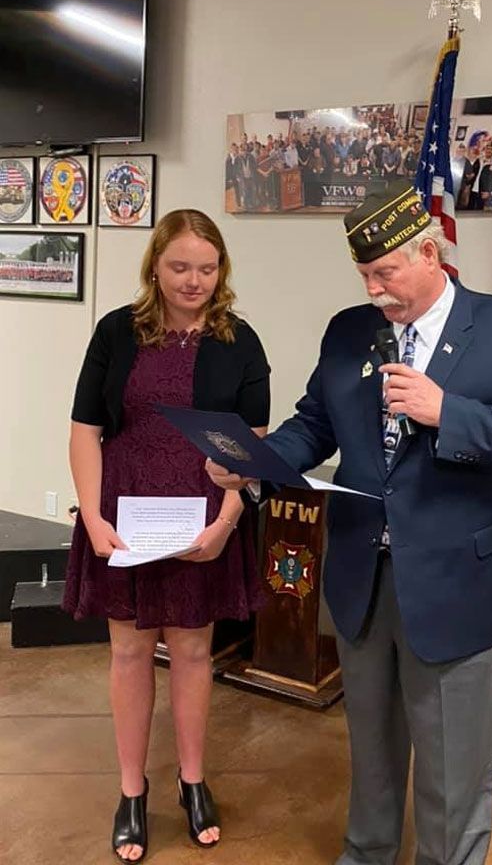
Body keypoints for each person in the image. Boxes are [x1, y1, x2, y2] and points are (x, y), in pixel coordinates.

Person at [207, 181, 492, 865]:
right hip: (361, 577)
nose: (375, 290)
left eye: (386, 274)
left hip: (457, 583)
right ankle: (367, 853)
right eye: (364, 275)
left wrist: (449, 412)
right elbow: (316, 423)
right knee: (371, 751)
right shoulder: (351, 332)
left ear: (430, 254)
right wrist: (255, 464)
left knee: (452, 771)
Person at [63, 209, 270, 862]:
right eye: (180, 267)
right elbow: (84, 430)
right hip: (122, 515)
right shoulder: (116, 332)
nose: (194, 280)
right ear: (155, 264)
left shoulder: (241, 342)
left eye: (207, 269)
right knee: (128, 652)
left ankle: (191, 780)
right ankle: (131, 790)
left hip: (203, 518)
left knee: (191, 651)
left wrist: (226, 524)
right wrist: (93, 517)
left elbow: (253, 447)